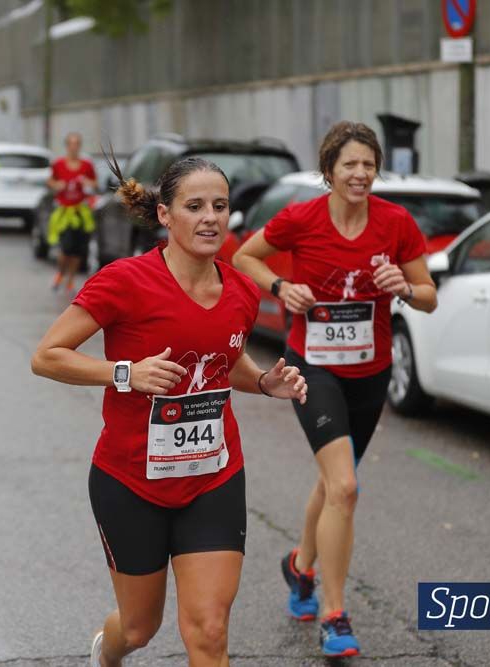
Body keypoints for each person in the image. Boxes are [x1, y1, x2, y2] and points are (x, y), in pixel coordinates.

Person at [32, 155, 308, 667]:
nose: (210, 218)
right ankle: (107, 653)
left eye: (220, 207)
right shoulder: (125, 281)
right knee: (139, 627)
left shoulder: (242, 292)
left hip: (212, 476)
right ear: (164, 215)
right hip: (131, 480)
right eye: (195, 206)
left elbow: (223, 362)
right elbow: (47, 356)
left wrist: (266, 383)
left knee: (208, 628)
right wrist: (125, 373)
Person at [233, 121, 438, 658]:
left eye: (369, 164)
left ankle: (300, 567)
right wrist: (282, 286)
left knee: (332, 486)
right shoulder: (301, 217)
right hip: (312, 368)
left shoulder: (395, 224)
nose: (360, 173)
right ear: (329, 172)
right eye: (349, 164)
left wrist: (405, 288)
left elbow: (429, 295)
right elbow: (243, 257)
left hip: (371, 372)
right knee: (345, 487)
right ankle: (334, 612)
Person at [47, 132, 97, 294]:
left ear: (79, 146)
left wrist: (87, 182)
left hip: (80, 212)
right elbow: (50, 181)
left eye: (77, 144)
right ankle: (60, 273)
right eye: (71, 144)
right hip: (65, 212)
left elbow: (95, 183)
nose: (74, 147)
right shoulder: (58, 164)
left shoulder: (86, 165)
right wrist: (56, 184)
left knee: (77, 250)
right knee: (66, 247)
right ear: (67, 146)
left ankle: (71, 279)